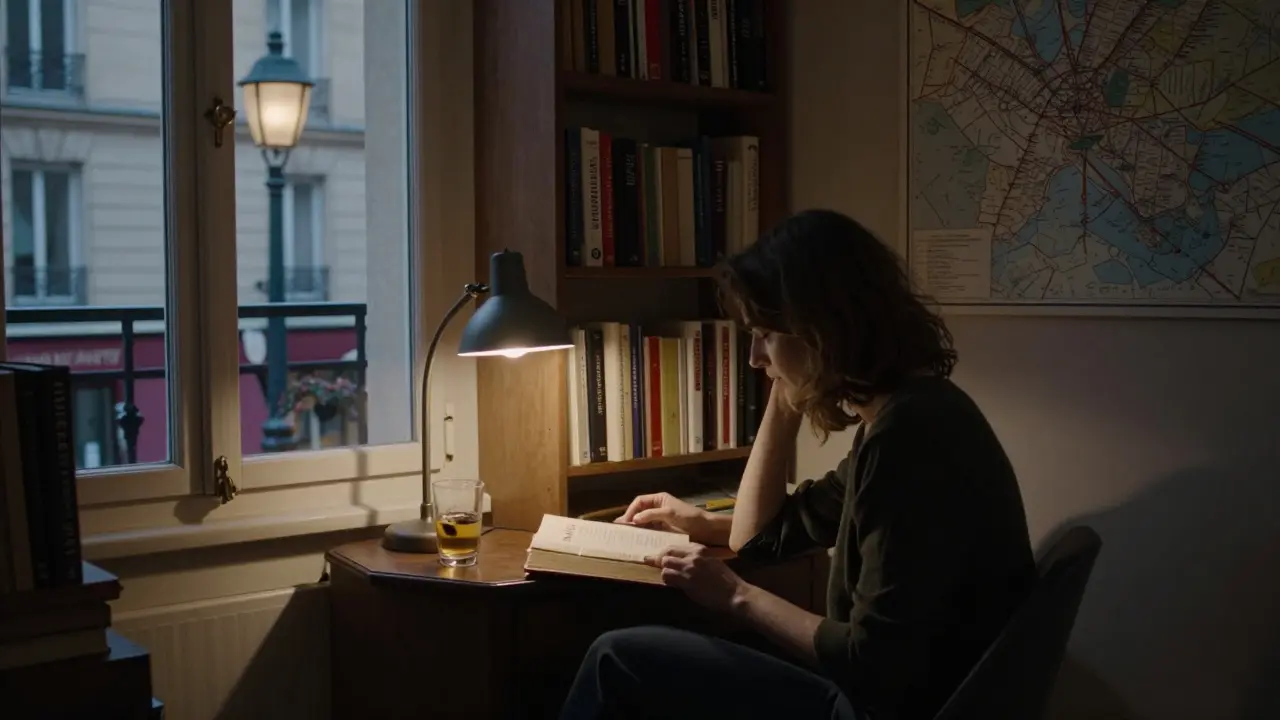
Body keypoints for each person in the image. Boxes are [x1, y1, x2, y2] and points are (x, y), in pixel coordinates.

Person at [559, 210, 1037, 720]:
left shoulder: (908, 440)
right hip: (883, 699)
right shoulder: (912, 414)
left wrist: (736, 595)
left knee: (615, 659)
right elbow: (758, 537)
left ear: (821, 330)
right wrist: (780, 404)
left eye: (764, 334)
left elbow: (870, 661)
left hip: (874, 708)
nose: (753, 358)